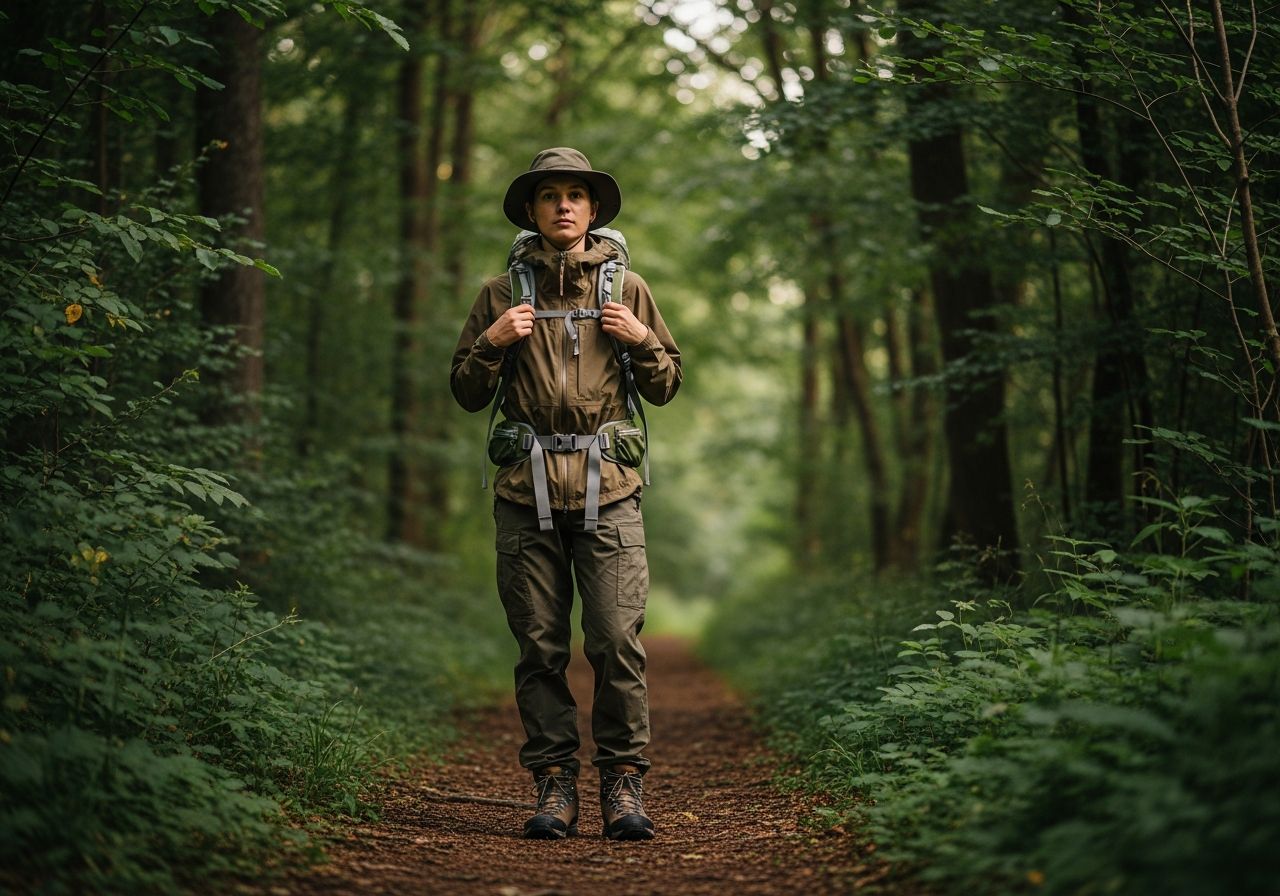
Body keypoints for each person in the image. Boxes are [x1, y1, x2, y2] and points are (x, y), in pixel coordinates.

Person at [450, 148, 682, 841]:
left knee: (615, 640)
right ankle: (554, 788)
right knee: (540, 646)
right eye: (548, 195)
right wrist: (492, 342)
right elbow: (466, 391)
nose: (562, 205)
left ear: (592, 209)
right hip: (524, 493)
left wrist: (640, 339)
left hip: (609, 490)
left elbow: (666, 384)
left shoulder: (628, 289)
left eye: (574, 194)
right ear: (531, 210)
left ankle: (623, 786)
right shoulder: (500, 293)